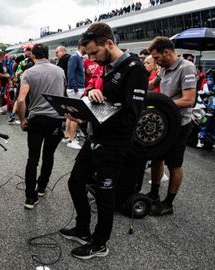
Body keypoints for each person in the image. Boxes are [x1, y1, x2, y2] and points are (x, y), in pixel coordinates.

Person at [60, 22, 147, 260]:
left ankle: (100, 244)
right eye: (87, 54)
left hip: (115, 143)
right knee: (75, 182)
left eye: (94, 53)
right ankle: (82, 229)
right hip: (96, 137)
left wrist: (102, 102)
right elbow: (100, 97)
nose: (92, 59)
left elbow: (132, 115)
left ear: (109, 43)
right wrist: (86, 101)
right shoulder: (107, 66)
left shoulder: (135, 69)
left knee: (104, 193)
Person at [146, 37, 197, 216]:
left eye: (157, 58)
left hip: (180, 124)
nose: (156, 62)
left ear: (167, 53)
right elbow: (152, 85)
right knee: (156, 158)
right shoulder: (164, 68)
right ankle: (153, 194)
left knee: (174, 164)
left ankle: (168, 203)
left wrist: (164, 106)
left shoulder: (186, 68)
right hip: (164, 122)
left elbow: (189, 100)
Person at [16, 43, 66, 209]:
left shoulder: (29, 73)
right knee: (49, 155)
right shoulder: (60, 71)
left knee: (33, 157)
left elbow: (21, 100)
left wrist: (22, 120)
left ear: (33, 56)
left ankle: (30, 198)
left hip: (37, 119)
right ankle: (42, 187)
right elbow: (62, 94)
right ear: (48, 53)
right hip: (56, 119)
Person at [64, 42, 86, 150]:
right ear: (81, 46)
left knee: (71, 113)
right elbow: (70, 73)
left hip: (76, 88)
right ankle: (72, 140)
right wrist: (75, 87)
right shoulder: (75, 57)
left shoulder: (79, 58)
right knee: (75, 114)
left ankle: (68, 136)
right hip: (75, 89)